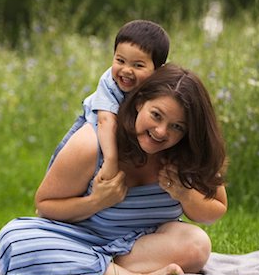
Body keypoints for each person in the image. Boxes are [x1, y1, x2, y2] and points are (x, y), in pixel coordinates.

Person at [0, 63, 228, 275]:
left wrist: (184, 194)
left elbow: (214, 211)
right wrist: (96, 201)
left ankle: (87, 269)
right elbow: (45, 206)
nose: (161, 132)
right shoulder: (92, 144)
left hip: (140, 247)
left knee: (197, 245)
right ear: (139, 102)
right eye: (156, 115)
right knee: (15, 238)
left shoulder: (188, 154)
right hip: (78, 238)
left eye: (177, 126)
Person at [48, 19, 170, 182]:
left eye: (138, 65)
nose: (126, 70)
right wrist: (111, 161)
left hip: (122, 128)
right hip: (98, 123)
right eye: (120, 61)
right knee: (64, 156)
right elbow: (106, 121)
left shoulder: (161, 87)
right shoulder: (109, 82)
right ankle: (51, 197)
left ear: (158, 70)